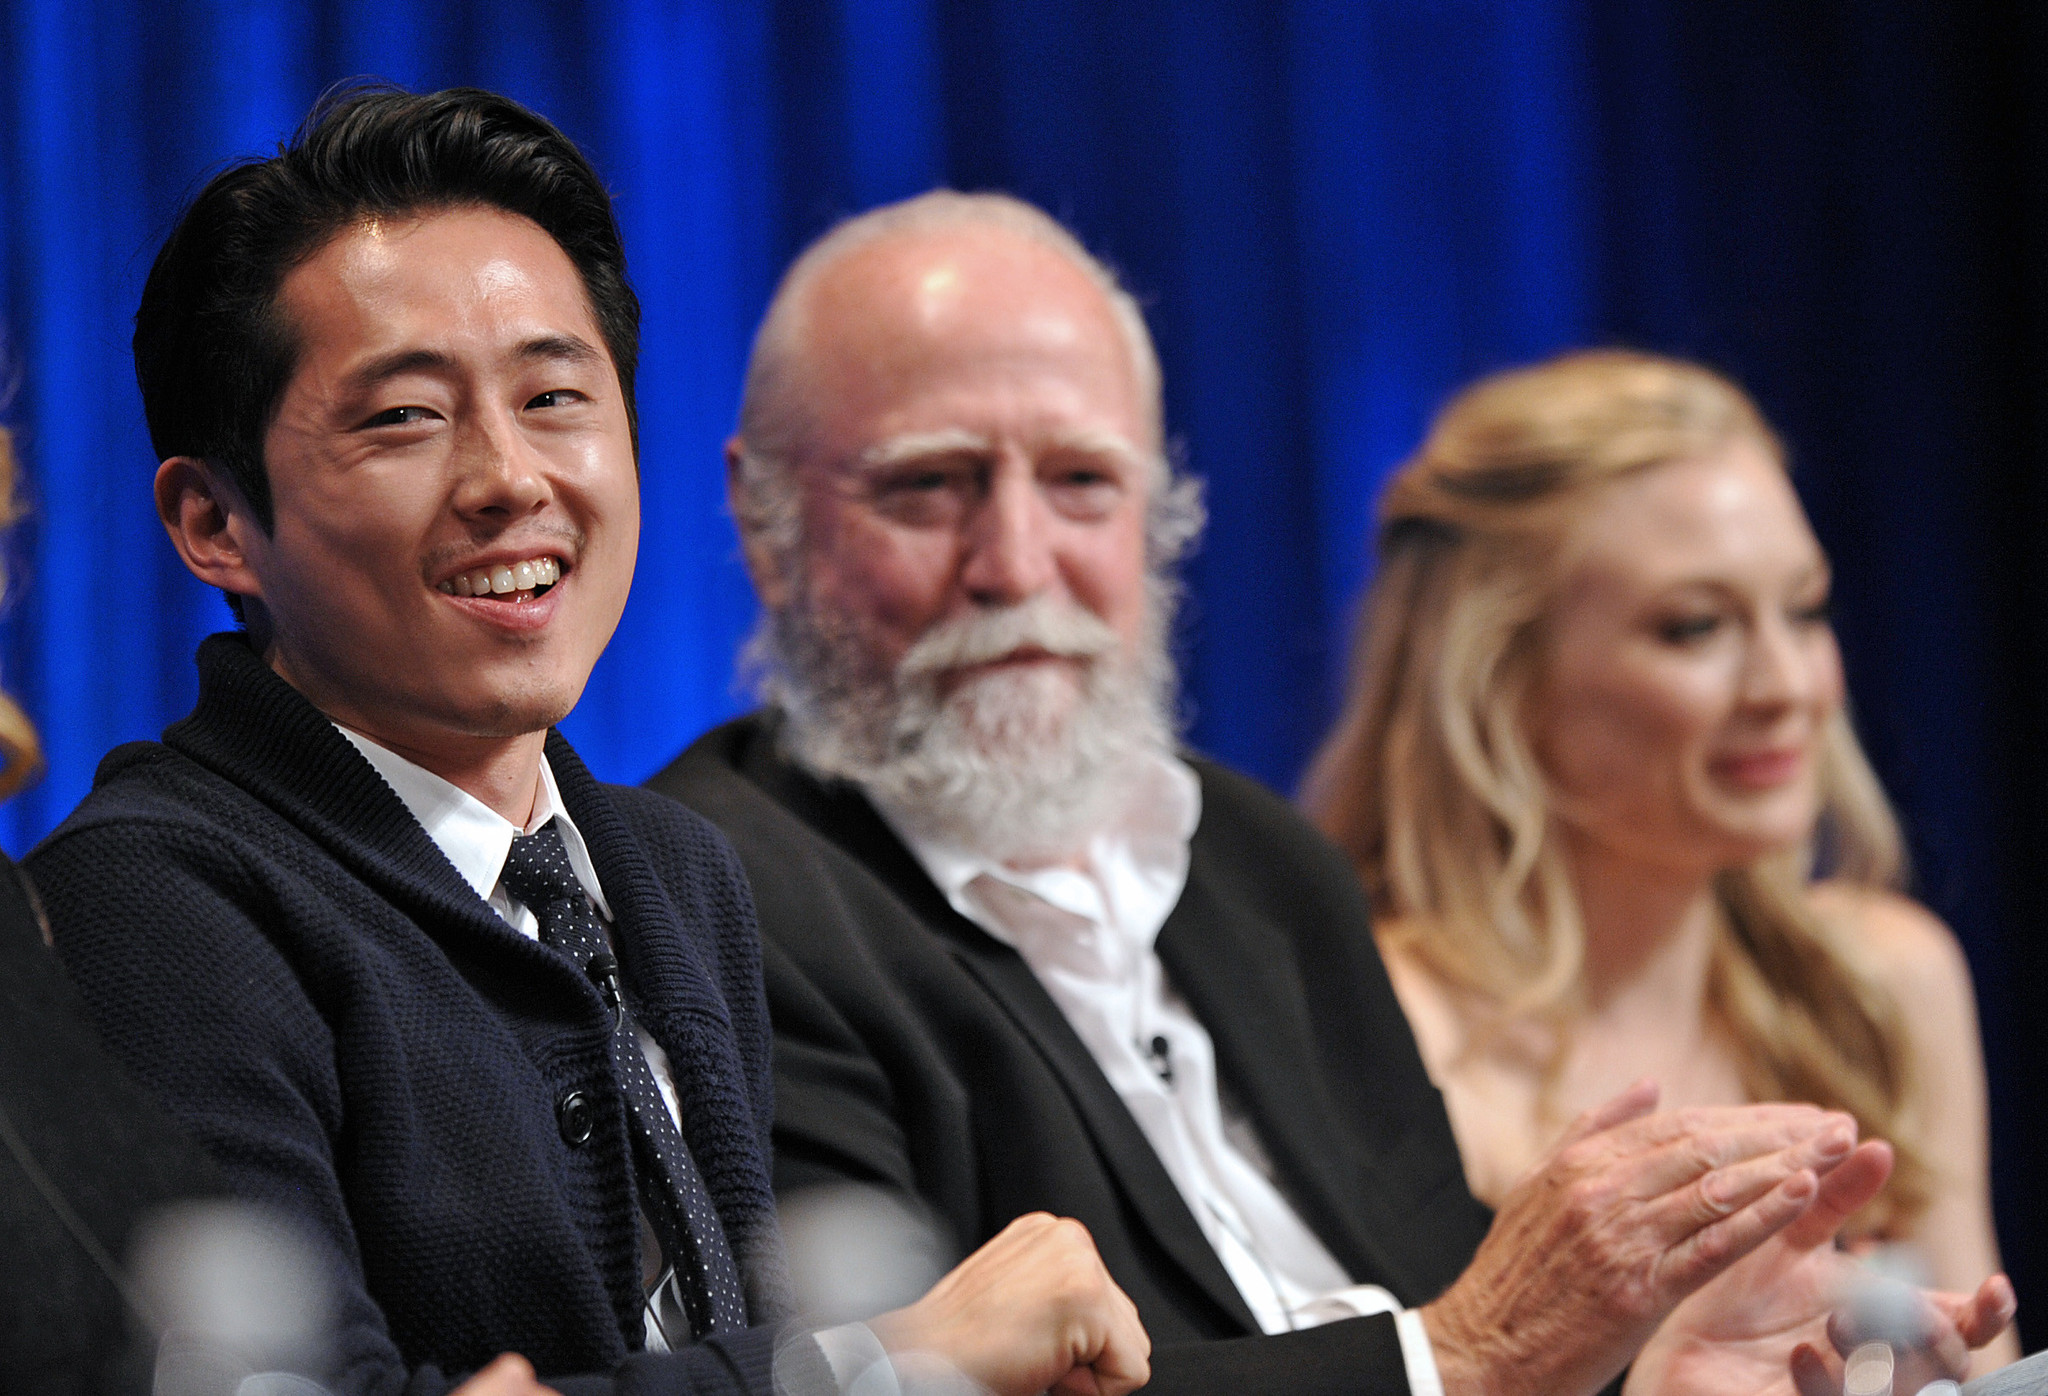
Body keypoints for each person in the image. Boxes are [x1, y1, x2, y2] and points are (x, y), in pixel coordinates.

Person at [647, 191, 2012, 1396]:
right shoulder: (702, 902)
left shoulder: (1256, 864)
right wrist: (1459, 1360)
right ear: (766, 522)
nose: (1015, 564)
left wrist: (1660, 1378)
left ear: (1158, 509)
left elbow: (1480, 1322)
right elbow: (929, 1392)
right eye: (931, 487)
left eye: (1080, 482)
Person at [25, 90, 1147, 1396]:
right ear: (215, 522)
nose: (510, 476)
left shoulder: (671, 867)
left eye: (556, 396)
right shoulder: (148, 899)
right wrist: (884, 1369)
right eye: (403, 416)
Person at [1298, 349, 2019, 1372]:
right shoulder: (1375, 1018)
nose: (1784, 684)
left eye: (1803, 610)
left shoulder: (1884, 981)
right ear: (1499, 677)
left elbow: (1986, 1370)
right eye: (1695, 626)